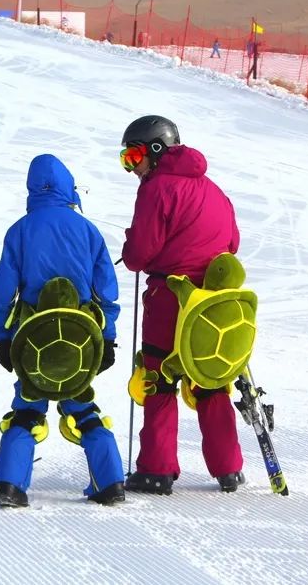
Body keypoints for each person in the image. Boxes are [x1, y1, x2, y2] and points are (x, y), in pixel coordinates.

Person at [0, 154, 124, 508]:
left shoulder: (20, 230)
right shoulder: (87, 230)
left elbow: (2, 293)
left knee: (28, 410)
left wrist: (1, 339)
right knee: (83, 406)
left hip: (33, 341)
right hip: (80, 338)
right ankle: (110, 483)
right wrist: (107, 336)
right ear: (68, 186)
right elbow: (106, 289)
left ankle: (11, 487)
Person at [119, 115, 244, 496]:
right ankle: (229, 468)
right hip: (211, 302)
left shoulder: (157, 189)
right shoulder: (212, 188)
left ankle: (157, 469)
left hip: (171, 297)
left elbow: (140, 254)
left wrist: (130, 246)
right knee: (210, 379)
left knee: (159, 378)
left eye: (135, 156)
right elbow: (232, 244)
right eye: (126, 159)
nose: (133, 167)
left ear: (156, 151)